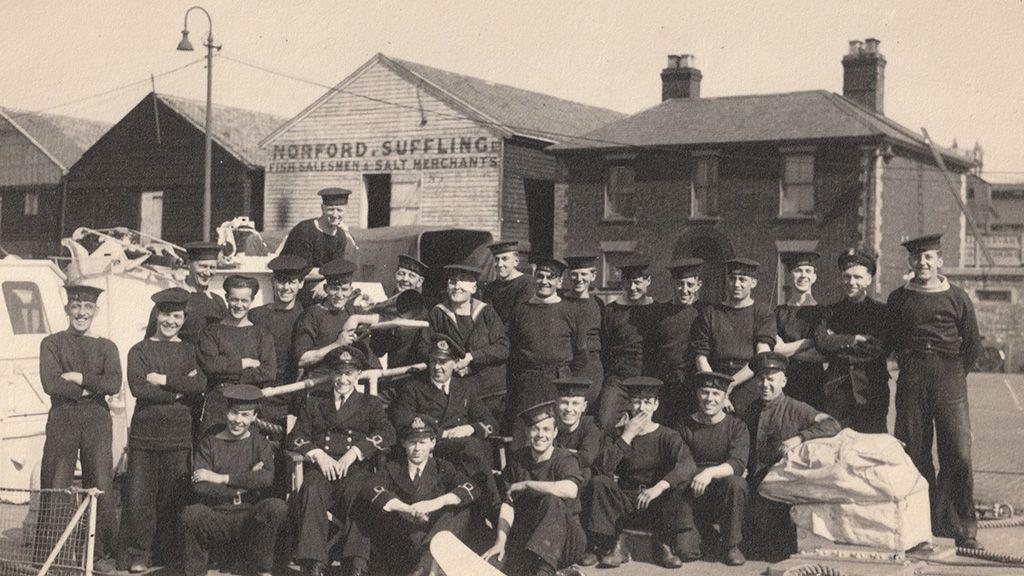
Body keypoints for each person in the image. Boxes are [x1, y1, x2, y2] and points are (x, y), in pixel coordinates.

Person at [884, 233, 982, 549]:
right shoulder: (898, 298)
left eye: (929, 257)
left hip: (950, 377)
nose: (923, 263)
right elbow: (891, 340)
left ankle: (962, 528)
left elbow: (972, 346)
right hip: (912, 377)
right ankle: (918, 528)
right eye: (917, 258)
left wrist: (951, 375)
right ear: (910, 262)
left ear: (940, 260)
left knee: (958, 453)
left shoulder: (958, 297)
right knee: (914, 452)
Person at [119, 288, 207, 572]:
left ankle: (169, 554)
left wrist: (162, 380)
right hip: (145, 435)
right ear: (157, 315)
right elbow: (138, 387)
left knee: (174, 497)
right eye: (166, 315)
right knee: (139, 497)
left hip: (179, 435)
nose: (171, 321)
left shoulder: (189, 351)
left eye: (177, 316)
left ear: (184, 319)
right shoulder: (139, 350)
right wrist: (177, 391)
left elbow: (199, 387)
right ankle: (138, 555)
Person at [288, 346, 396, 576]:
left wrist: (356, 451)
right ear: (331, 375)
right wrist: (318, 454)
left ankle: (356, 564)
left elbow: (387, 433)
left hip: (355, 470)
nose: (343, 379)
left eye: (349, 373)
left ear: (358, 375)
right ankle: (313, 564)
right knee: (311, 489)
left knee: (361, 492)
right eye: (339, 373)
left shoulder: (370, 403)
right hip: (322, 470)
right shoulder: (314, 401)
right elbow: (295, 437)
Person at [37, 284, 121, 567]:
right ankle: (54, 557)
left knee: (100, 483)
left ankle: (98, 555)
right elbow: (51, 383)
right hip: (62, 417)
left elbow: (113, 383)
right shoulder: (51, 343)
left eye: (87, 307)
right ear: (66, 309)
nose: (81, 313)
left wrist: (78, 377)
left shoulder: (107, 346)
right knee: (57, 483)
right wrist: (89, 388)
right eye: (75, 306)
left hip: (96, 420)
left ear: (95, 311)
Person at [587, 377, 697, 569]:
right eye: (637, 401)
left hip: (656, 501)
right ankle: (613, 544)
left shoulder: (668, 435)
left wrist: (660, 487)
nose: (641, 408)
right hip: (626, 500)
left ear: (656, 405)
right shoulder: (618, 434)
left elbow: (687, 464)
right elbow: (601, 468)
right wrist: (627, 436)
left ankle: (663, 543)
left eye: (647, 402)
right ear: (629, 404)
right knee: (599, 482)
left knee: (678, 483)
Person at [742, 352, 841, 561]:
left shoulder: (796, 408)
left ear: (784, 381)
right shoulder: (750, 410)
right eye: (760, 378)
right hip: (755, 484)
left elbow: (831, 424)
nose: (765, 384)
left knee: (775, 549)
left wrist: (800, 438)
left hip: (784, 490)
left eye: (771, 379)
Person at [392, 334, 501, 523]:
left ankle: (482, 514)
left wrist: (471, 427)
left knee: (475, 447)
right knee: (474, 448)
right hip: (434, 449)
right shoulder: (414, 388)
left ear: (455, 363)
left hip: (465, 453)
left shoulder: (464, 388)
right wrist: (441, 432)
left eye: (443, 362)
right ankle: (494, 509)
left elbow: (491, 423)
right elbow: (402, 419)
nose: (437, 367)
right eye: (433, 361)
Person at [181, 384, 288, 576]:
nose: (238, 420)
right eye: (234, 413)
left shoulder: (259, 443)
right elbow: (200, 485)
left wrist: (220, 478)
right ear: (226, 412)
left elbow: (266, 479)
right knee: (192, 514)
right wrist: (246, 482)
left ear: (254, 417)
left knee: (275, 507)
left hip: (249, 515)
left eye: (245, 415)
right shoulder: (210, 441)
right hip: (217, 514)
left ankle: (263, 570)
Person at [363, 414, 477, 576]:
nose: (417, 448)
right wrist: (405, 508)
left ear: (433, 443)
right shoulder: (392, 468)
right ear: (403, 443)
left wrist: (437, 502)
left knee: (459, 507)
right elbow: (370, 488)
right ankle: (426, 564)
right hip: (403, 542)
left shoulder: (442, 467)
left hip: (433, 538)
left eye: (423, 442)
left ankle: (425, 563)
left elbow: (472, 488)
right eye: (412, 442)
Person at [482, 401, 587, 576]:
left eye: (546, 429)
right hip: (530, 539)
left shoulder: (564, 458)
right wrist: (500, 542)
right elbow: (508, 505)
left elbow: (571, 490)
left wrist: (528, 484)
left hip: (568, 540)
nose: (540, 435)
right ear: (526, 432)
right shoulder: (517, 461)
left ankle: (546, 572)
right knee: (494, 564)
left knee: (551, 501)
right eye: (535, 429)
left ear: (555, 433)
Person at [506, 257, 587, 438]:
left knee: (556, 435)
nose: (544, 281)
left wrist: (564, 376)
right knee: (526, 435)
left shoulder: (570, 310)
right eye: (540, 276)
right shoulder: (521, 310)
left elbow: (581, 354)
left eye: (550, 277)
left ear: (559, 282)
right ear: (534, 278)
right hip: (529, 383)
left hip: (560, 384)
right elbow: (512, 349)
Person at [813, 248, 890, 433]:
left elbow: (878, 348)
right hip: (836, 391)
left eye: (858, 277)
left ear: (869, 279)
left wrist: (837, 342)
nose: (851, 282)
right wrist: (854, 339)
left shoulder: (882, 312)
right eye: (847, 276)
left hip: (871, 391)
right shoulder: (830, 312)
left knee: (870, 451)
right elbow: (821, 342)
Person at [677, 371, 749, 566]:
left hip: (721, 493)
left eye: (716, 394)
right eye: (705, 392)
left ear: (725, 397)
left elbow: (738, 463)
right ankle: (707, 533)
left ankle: (731, 545)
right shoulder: (684, 426)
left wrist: (709, 472)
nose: (710, 399)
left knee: (737, 483)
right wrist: (699, 474)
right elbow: (682, 463)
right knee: (686, 552)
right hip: (692, 493)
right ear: (697, 394)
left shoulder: (737, 427)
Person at [691, 257, 777, 419]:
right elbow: (701, 356)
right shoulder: (711, 313)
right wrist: (717, 389)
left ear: (753, 283)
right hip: (714, 380)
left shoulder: (762, 313)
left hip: (748, 380)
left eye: (742, 279)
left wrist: (730, 385)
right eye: (732, 279)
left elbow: (761, 357)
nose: (736, 284)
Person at [423, 263, 509, 418]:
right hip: (455, 391)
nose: (457, 287)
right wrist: (451, 363)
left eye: (463, 282)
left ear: (474, 289)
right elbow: (424, 347)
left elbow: (502, 347)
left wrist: (471, 358)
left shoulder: (486, 311)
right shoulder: (438, 313)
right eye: (453, 282)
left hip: (490, 391)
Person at [197, 275, 276, 434]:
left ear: (251, 300)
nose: (239, 305)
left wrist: (226, 375)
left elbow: (268, 371)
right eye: (234, 300)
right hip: (218, 406)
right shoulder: (211, 332)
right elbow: (210, 366)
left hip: (248, 407)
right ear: (227, 298)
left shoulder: (261, 333)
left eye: (244, 300)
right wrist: (244, 363)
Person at [596, 261, 658, 431]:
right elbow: (604, 348)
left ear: (648, 281)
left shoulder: (657, 310)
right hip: (618, 380)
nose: (632, 287)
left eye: (637, 282)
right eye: (628, 282)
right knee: (605, 421)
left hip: (648, 380)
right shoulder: (611, 311)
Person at [293, 258, 379, 381]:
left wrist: (356, 318)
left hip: (347, 384)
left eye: (344, 289)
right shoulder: (312, 314)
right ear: (325, 288)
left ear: (351, 289)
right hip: (320, 387)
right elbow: (301, 359)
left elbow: (384, 318)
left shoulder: (352, 311)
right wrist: (337, 344)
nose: (339, 295)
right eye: (334, 289)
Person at [250, 254, 310, 426]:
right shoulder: (257, 315)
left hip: (293, 395)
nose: (286, 287)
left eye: (292, 282)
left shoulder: (307, 316)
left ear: (301, 284)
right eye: (281, 281)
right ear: (273, 282)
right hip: (261, 393)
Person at [368, 254, 430, 405]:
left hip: (414, 379)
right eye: (401, 273)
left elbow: (423, 352)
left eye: (411, 276)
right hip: (392, 379)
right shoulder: (390, 306)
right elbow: (379, 350)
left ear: (419, 282)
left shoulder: (423, 313)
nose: (405, 279)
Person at [651, 258, 706, 426]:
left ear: (698, 285)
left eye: (690, 285)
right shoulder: (660, 312)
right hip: (664, 385)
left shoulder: (704, 312)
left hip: (692, 384)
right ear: (672, 283)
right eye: (680, 284)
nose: (684, 290)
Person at [279, 187, 353, 306]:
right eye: (330, 209)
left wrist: (327, 282)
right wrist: (329, 280)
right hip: (293, 284)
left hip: (323, 282)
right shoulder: (305, 231)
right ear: (322, 208)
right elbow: (301, 270)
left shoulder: (340, 235)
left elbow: (337, 267)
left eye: (340, 210)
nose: (335, 214)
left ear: (346, 210)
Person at [773, 251, 827, 410]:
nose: (803, 275)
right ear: (790, 275)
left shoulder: (824, 313)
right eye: (798, 270)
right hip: (785, 382)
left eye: (808, 271)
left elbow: (823, 354)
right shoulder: (779, 313)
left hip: (814, 384)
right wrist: (810, 342)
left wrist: (787, 350)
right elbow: (775, 350)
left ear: (814, 277)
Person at [145, 242, 227, 344]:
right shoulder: (170, 298)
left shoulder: (217, 302)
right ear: (189, 264)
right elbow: (150, 342)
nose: (207, 272)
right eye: (203, 266)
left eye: (212, 268)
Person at [560, 256, 604, 404]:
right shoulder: (560, 301)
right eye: (574, 274)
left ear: (593, 275)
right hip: (565, 363)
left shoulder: (598, 304)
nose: (579, 279)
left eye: (584, 274)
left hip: (591, 366)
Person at [481, 240, 533, 325]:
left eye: (505, 259)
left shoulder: (527, 283)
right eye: (497, 259)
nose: (500, 264)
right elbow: (486, 317)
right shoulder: (490, 287)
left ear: (516, 261)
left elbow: (519, 317)